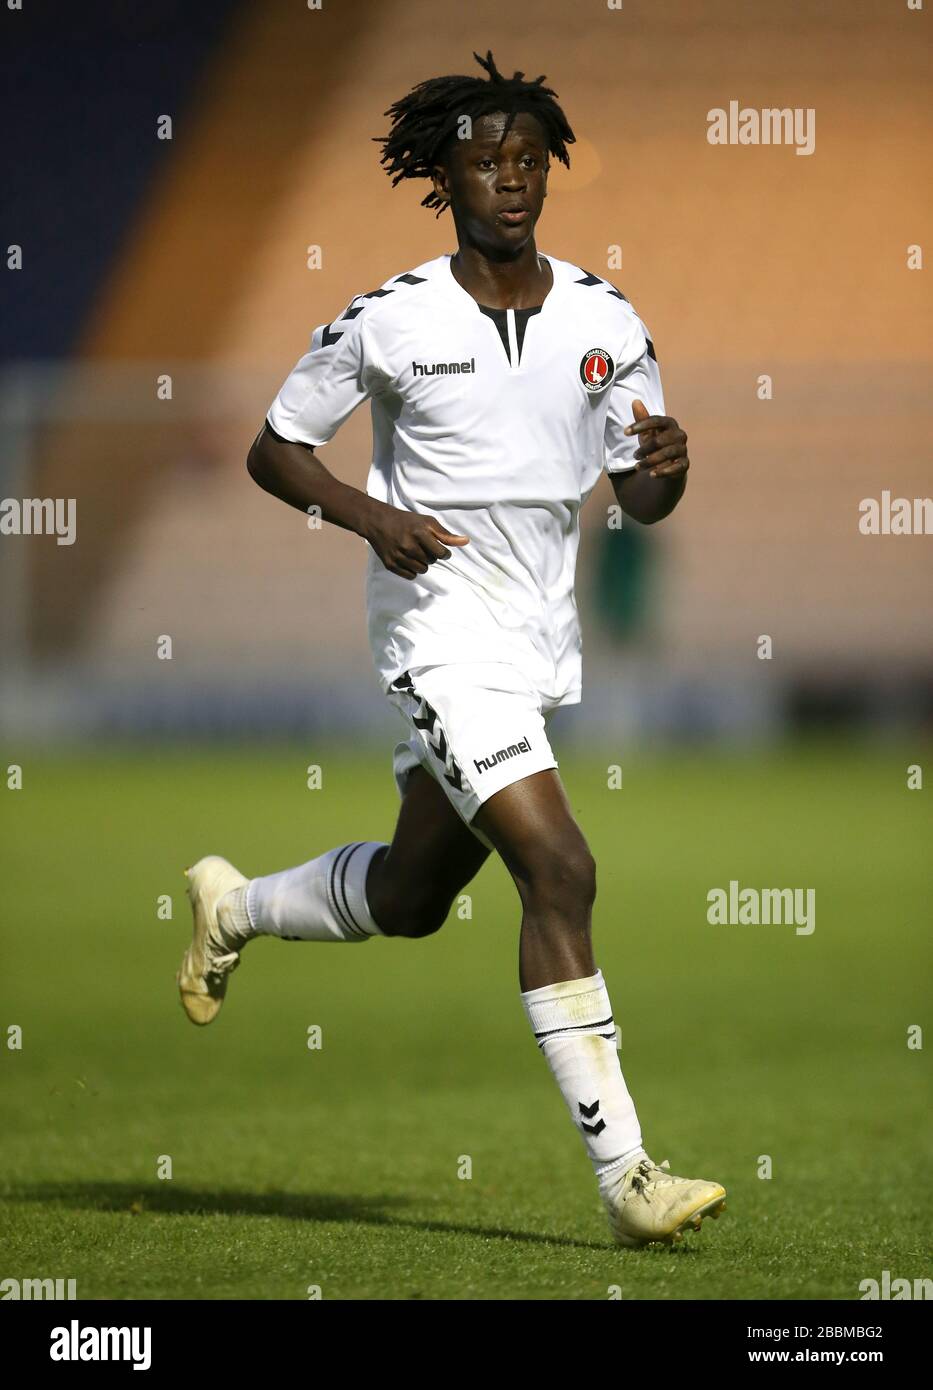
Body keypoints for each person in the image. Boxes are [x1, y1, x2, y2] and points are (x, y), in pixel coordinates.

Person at [177, 51, 725, 1248]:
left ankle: (237, 908)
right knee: (561, 869)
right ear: (445, 174)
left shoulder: (606, 318)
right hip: (432, 629)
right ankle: (631, 1178)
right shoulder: (389, 317)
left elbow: (640, 497)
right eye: (487, 160)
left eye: (529, 159)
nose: (512, 178)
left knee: (414, 895)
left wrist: (662, 474)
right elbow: (276, 449)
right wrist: (373, 517)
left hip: (534, 637)